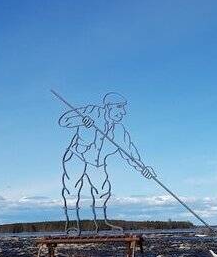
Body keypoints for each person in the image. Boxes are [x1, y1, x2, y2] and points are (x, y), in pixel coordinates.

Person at [58, 92, 155, 235]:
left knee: (102, 191)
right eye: (119, 107)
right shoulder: (91, 111)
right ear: (109, 107)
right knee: (72, 190)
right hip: (77, 157)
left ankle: (101, 224)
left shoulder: (119, 130)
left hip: (96, 163)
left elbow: (130, 153)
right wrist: (81, 120)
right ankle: (72, 224)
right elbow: (64, 121)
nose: (123, 112)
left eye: (124, 108)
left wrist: (143, 169)